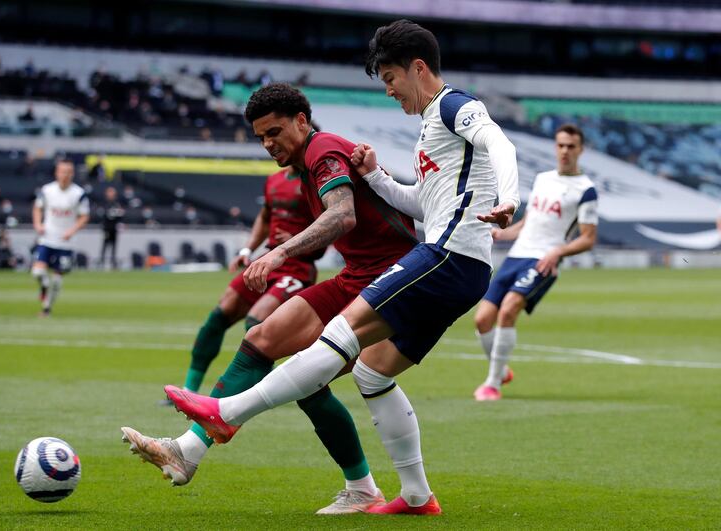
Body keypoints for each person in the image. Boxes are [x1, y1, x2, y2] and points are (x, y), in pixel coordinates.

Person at [163, 20, 520, 515]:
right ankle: (416, 497)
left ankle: (226, 413)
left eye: (391, 78)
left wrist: (510, 199)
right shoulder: (429, 128)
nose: (390, 90)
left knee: (338, 333)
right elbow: (421, 203)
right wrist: (377, 176)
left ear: (418, 68)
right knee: (372, 375)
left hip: (448, 255)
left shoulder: (456, 106)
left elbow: (501, 144)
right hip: (455, 261)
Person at [121, 83, 418, 515]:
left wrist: (277, 252)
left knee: (307, 376)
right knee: (262, 340)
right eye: (261, 137)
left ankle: (376, 490)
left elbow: (343, 213)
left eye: (274, 132)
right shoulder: (302, 169)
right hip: (358, 277)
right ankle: (189, 452)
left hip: (392, 282)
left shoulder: (323, 151)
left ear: (302, 121)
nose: (267, 144)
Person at [473, 124, 598, 401]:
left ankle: (492, 384)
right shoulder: (543, 179)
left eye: (571, 146)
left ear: (581, 150)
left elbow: (588, 239)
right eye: (561, 145)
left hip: (543, 261)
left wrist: (557, 253)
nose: (565, 151)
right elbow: (529, 223)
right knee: (482, 320)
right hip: (517, 255)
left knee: (508, 311)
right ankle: (502, 370)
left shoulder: (586, 190)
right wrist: (503, 233)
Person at [178, 165, 319, 393]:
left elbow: (333, 223)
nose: (271, 144)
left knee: (256, 320)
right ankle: (189, 390)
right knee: (219, 316)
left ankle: (263, 391)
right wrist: (247, 251)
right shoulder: (274, 180)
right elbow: (264, 219)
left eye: (276, 134)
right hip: (267, 261)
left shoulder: (316, 181)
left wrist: (296, 240)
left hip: (297, 267)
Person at [31, 158, 89, 316]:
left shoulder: (79, 194)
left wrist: (72, 230)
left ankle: (46, 309)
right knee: (37, 272)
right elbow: (37, 208)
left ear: (73, 174)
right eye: (63, 171)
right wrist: (38, 224)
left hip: (65, 242)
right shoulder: (47, 190)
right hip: (47, 238)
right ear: (57, 173)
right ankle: (43, 288)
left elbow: (84, 216)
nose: (66, 175)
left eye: (69, 172)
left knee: (57, 280)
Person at [100, 187, 124, 270]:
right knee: (105, 245)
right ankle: (102, 261)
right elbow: (104, 214)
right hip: (107, 227)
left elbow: (120, 214)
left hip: (114, 228)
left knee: (114, 246)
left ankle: (113, 262)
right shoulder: (104, 203)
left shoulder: (117, 203)